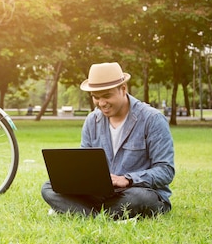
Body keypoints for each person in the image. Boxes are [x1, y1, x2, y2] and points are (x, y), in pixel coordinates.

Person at [41, 62, 175, 219]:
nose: (101, 103)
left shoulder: (152, 119)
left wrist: (127, 179)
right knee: (49, 187)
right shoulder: (92, 120)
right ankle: (103, 216)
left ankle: (81, 212)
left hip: (137, 192)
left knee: (140, 198)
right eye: (95, 98)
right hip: (102, 194)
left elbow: (166, 171)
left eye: (106, 96)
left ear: (123, 89)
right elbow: (85, 165)